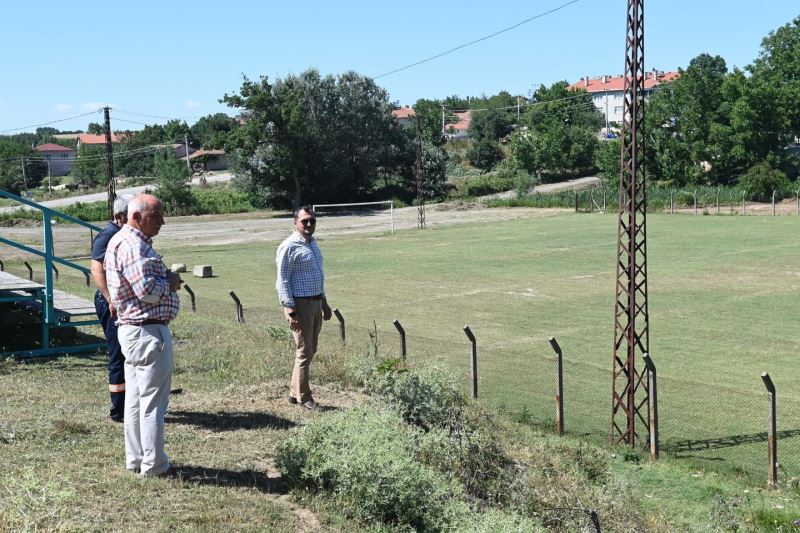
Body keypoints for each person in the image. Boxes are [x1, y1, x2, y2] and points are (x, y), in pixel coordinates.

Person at [105, 194, 182, 476]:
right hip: (147, 331)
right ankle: (154, 464)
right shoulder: (134, 245)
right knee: (153, 402)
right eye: (156, 216)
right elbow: (146, 290)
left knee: (137, 401)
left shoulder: (124, 241)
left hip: (135, 331)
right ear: (135, 217)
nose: (162, 221)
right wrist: (170, 282)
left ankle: (137, 459)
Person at [275, 205, 332, 410]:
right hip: (300, 305)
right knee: (304, 350)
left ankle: (294, 392)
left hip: (316, 302)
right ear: (295, 223)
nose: (309, 224)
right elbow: (282, 280)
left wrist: (324, 303)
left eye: (312, 221)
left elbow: (319, 277)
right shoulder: (289, 246)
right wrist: (290, 310)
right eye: (305, 221)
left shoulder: (312, 244)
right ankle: (305, 397)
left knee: (311, 349)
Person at [90, 194, 132, 423]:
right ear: (119, 217)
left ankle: (130, 402)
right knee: (117, 353)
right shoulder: (108, 236)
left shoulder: (123, 234)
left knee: (128, 352)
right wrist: (110, 299)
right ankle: (119, 411)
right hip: (110, 302)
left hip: (120, 300)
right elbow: (97, 270)